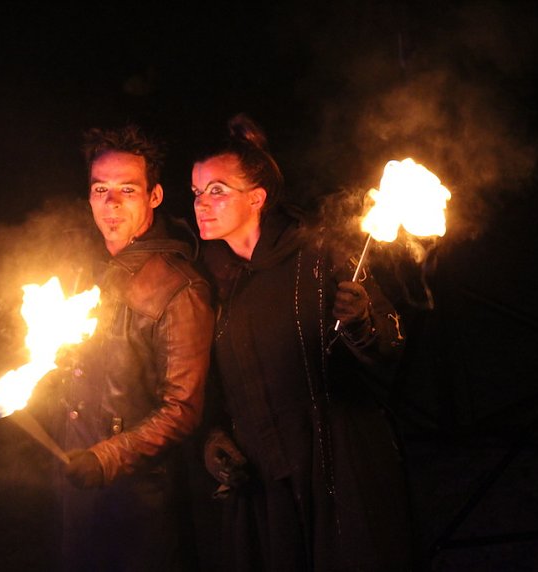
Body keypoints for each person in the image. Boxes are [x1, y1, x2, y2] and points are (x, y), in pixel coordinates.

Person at [192, 114, 414, 571]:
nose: (201, 203)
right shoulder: (209, 280)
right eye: (196, 192)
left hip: (337, 466)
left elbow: (389, 344)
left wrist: (360, 324)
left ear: (257, 198)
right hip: (262, 478)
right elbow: (209, 378)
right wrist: (214, 434)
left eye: (217, 190)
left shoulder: (319, 253)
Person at [40, 124, 215, 571]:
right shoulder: (92, 272)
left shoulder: (180, 288)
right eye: (101, 190)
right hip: (78, 482)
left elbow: (183, 409)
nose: (111, 204)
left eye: (127, 190)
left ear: (154, 196)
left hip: (139, 498)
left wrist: (107, 456)